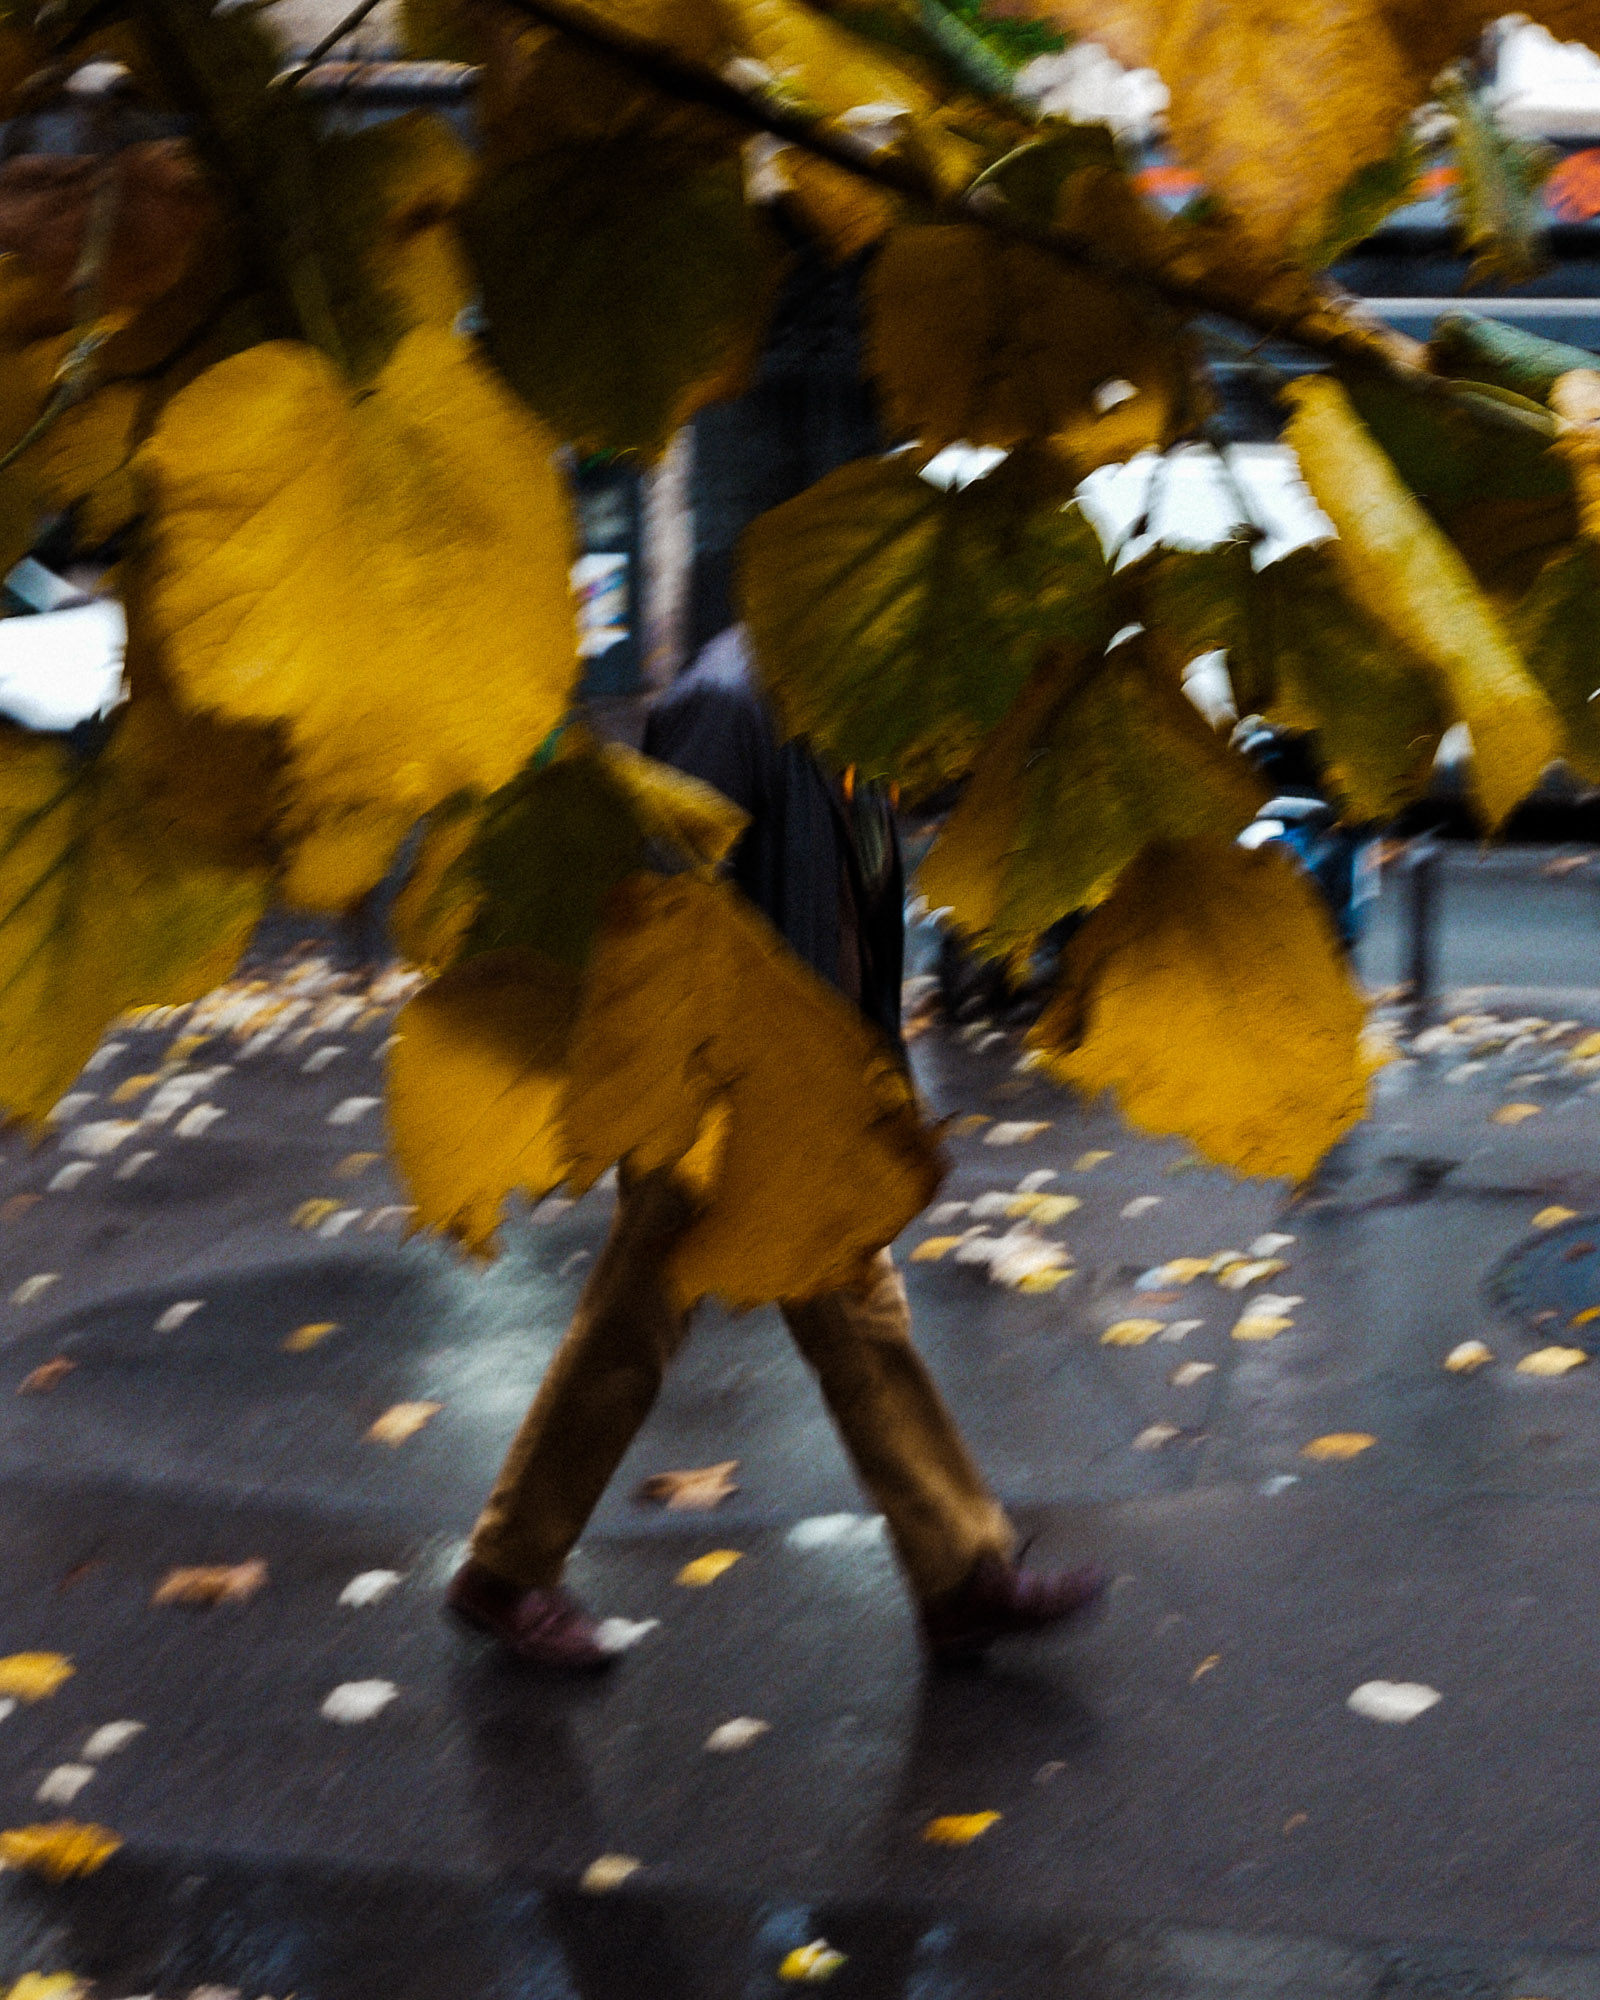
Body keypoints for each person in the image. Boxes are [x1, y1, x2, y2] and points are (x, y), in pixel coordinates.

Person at [446, 627, 1107, 1669]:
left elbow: (863, 893)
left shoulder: (847, 719)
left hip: (802, 1073)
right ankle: (505, 1569)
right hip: (714, 1078)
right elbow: (668, 894)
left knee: (853, 1309)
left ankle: (958, 1570)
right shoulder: (725, 703)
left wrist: (866, 1057)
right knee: (637, 1318)